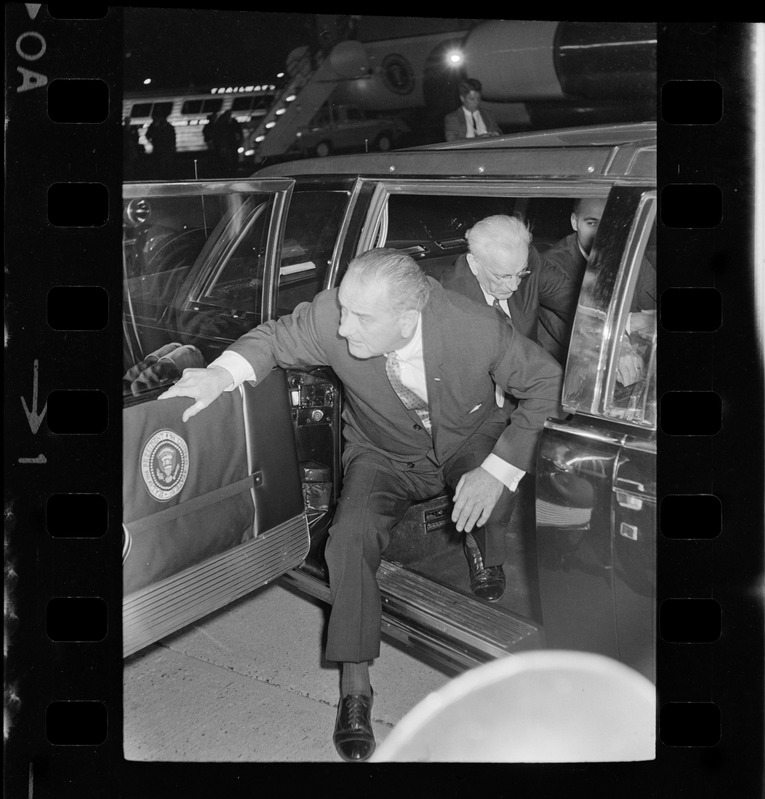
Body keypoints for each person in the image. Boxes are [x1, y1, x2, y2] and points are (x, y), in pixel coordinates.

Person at [158, 247, 562, 762]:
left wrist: (497, 471)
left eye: (362, 318)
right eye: (344, 311)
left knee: (490, 485)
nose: (345, 330)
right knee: (348, 542)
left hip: (466, 440)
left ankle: (487, 551)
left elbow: (548, 386)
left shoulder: (476, 328)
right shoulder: (333, 315)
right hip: (381, 453)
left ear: (408, 318)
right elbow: (274, 339)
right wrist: (219, 376)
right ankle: (355, 688)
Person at [441, 215, 575, 366]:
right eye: (503, 276)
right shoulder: (451, 298)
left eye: (521, 274)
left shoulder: (526, 260)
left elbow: (573, 300)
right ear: (474, 263)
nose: (514, 286)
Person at [539, 197, 608, 365]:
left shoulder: (630, 255)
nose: (600, 234)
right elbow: (584, 320)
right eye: (591, 223)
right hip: (563, 367)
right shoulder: (551, 265)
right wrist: (630, 321)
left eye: (608, 223)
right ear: (574, 222)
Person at [145, 111, 176, 179]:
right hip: (163, 149)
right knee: (164, 165)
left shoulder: (156, 126)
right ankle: (166, 178)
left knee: (163, 165)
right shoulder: (167, 126)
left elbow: (148, 135)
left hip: (162, 149)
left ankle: (165, 177)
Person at [211, 109, 242, 176]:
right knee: (227, 157)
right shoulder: (223, 122)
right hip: (227, 143)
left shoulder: (231, 121)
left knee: (232, 156)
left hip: (230, 143)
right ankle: (229, 170)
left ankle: (232, 169)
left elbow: (238, 131)